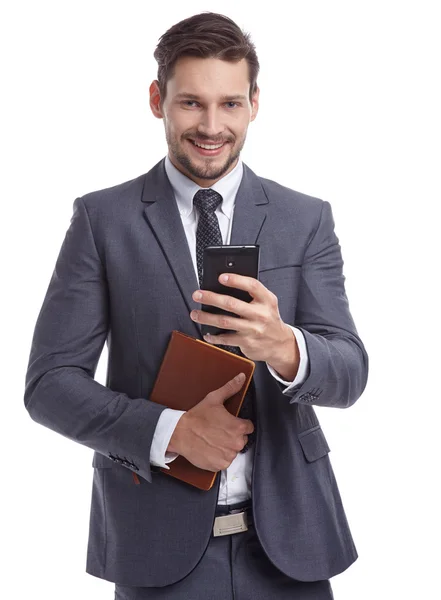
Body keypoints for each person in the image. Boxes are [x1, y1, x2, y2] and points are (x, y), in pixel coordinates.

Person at [24, 11, 369, 600]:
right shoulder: (102, 220)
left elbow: (350, 374)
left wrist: (286, 348)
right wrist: (172, 431)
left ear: (255, 103)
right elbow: (50, 384)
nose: (212, 126)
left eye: (231, 104)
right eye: (191, 103)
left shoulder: (305, 218)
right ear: (158, 99)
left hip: (291, 546)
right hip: (154, 546)